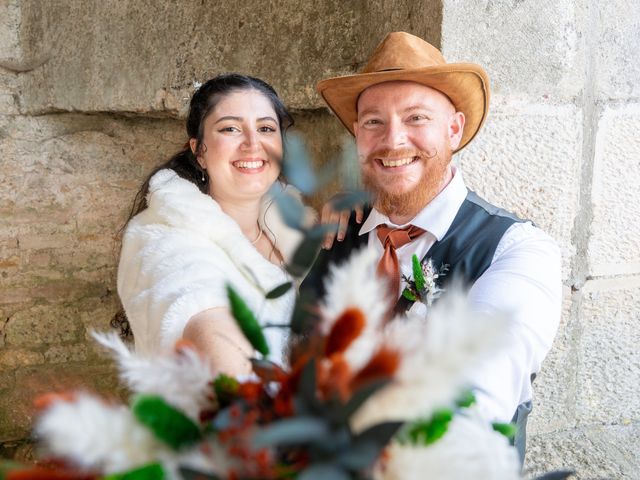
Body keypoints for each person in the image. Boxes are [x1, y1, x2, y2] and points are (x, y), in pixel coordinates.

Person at [301, 32, 562, 461]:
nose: (393, 140)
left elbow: (479, 388)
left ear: (454, 129)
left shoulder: (517, 251)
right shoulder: (338, 233)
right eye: (373, 122)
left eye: (416, 117)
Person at [117, 74, 313, 376]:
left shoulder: (299, 225)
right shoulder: (165, 238)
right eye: (230, 128)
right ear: (200, 151)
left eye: (265, 128)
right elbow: (204, 312)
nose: (252, 144)